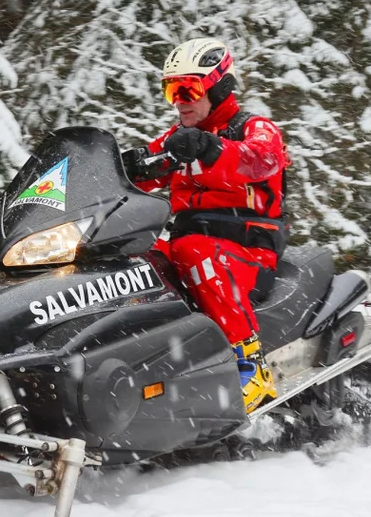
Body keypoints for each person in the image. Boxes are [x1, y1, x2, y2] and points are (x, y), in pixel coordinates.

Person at [122, 37, 291, 414]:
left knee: (192, 250)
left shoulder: (253, 129)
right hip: (191, 240)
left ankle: (251, 367)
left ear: (219, 87)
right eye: (171, 89)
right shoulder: (178, 139)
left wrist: (211, 148)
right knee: (133, 265)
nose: (179, 99)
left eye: (188, 88)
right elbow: (140, 175)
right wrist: (120, 169)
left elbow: (262, 159)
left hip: (248, 249)